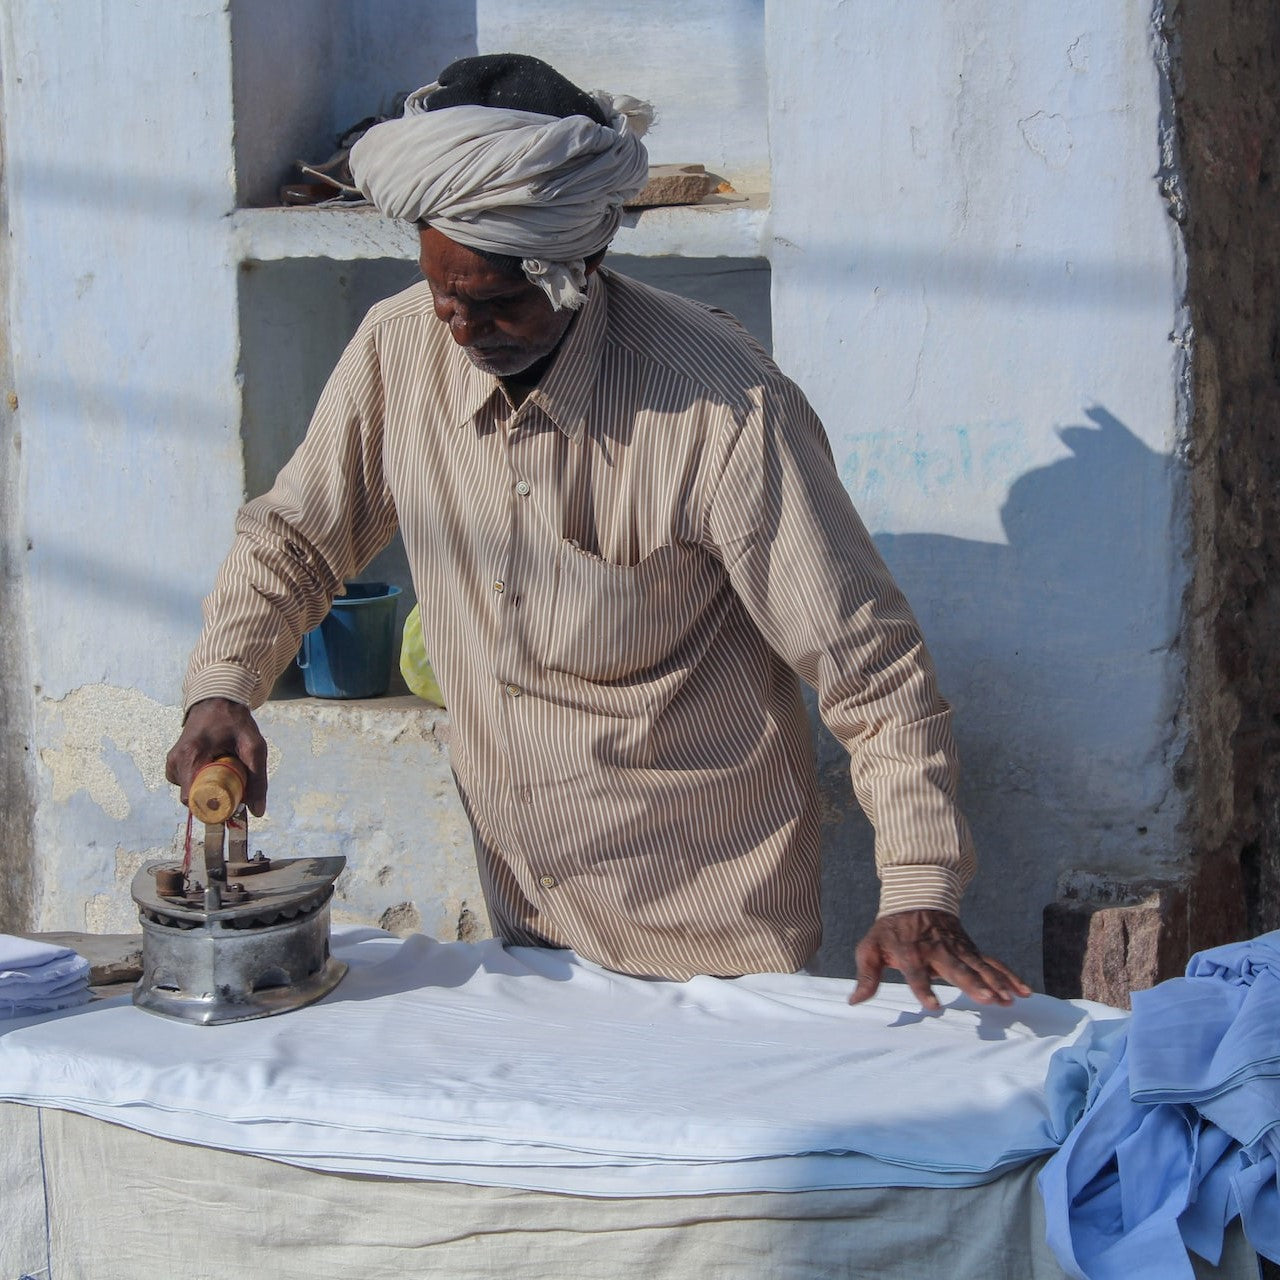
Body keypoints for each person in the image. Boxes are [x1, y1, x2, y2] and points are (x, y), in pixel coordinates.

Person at [166, 54, 1029, 1012]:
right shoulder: (398, 346)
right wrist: (222, 686)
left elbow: (873, 670)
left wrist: (917, 888)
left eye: (497, 301)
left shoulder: (722, 408)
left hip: (712, 935)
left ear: (582, 262)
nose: (460, 326)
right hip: (526, 917)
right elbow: (296, 540)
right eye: (443, 291)